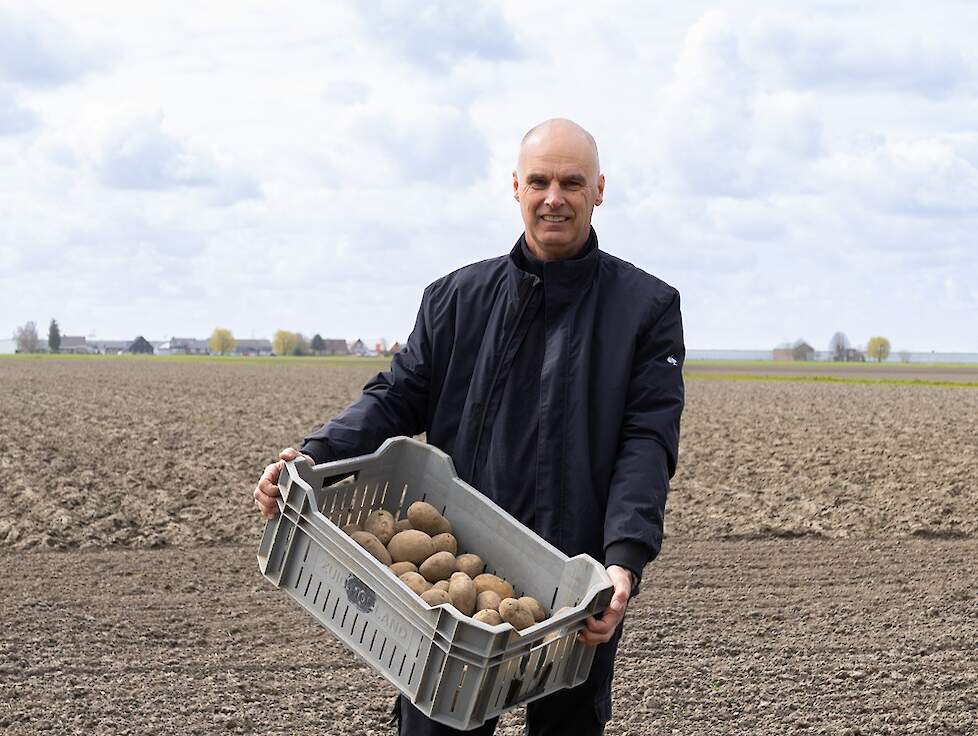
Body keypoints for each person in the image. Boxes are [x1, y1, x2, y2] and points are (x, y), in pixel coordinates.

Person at [253, 118, 685, 735]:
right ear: (516, 187)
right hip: (458, 567)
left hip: (572, 589)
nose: (554, 197)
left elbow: (647, 442)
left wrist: (621, 563)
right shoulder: (456, 299)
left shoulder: (645, 308)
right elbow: (395, 398)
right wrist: (314, 455)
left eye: (571, 182)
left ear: (600, 190)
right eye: (539, 181)